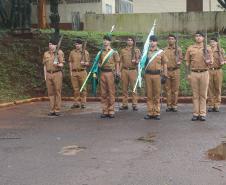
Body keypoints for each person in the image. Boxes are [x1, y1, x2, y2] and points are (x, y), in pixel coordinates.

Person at [185, 31, 213, 121]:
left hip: (204, 72)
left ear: (203, 38)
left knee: (203, 94)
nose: (198, 37)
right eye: (196, 36)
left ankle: (202, 113)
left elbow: (211, 62)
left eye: (200, 36)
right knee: (195, 95)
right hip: (194, 73)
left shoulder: (208, 48)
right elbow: (187, 62)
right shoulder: (190, 48)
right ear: (194, 37)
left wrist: (209, 61)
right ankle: (196, 113)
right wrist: (187, 74)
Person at [144, 35, 168, 120]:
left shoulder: (161, 52)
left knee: (157, 94)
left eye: (154, 41)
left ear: (156, 42)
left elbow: (165, 64)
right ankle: (150, 112)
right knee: (149, 94)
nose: (152, 42)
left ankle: (157, 112)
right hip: (148, 75)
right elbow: (142, 63)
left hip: (157, 75)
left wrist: (165, 75)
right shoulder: (146, 52)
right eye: (151, 41)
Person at [99, 35, 120, 118]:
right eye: (104, 40)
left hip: (111, 73)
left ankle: (111, 110)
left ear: (110, 42)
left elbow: (117, 63)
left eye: (107, 40)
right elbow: (99, 62)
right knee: (103, 93)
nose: (105, 41)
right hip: (103, 73)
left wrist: (118, 73)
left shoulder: (114, 52)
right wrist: (99, 65)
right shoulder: (100, 52)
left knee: (111, 92)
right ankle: (105, 110)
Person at [43, 36, 64, 116]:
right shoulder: (46, 53)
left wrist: (58, 64)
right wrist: (45, 75)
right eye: (49, 44)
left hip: (57, 73)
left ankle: (57, 110)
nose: (50, 46)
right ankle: (52, 110)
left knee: (57, 92)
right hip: (48, 74)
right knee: (50, 93)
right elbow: (44, 65)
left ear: (55, 45)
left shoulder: (59, 52)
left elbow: (62, 64)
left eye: (52, 44)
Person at [119, 36, 141, 111]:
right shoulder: (123, 50)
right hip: (124, 70)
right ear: (126, 41)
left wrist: (137, 61)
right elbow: (121, 61)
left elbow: (139, 61)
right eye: (128, 40)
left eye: (131, 40)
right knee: (124, 88)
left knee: (133, 88)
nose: (130, 41)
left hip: (133, 70)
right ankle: (124, 104)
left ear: (133, 42)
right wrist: (119, 71)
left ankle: (134, 104)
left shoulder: (136, 50)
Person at [69, 38, 90, 109]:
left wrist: (84, 63)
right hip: (74, 72)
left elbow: (88, 63)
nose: (77, 45)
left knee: (83, 88)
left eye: (78, 44)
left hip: (82, 72)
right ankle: (76, 103)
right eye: (76, 44)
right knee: (75, 89)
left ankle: (83, 103)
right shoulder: (72, 52)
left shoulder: (85, 52)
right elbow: (70, 62)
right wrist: (70, 71)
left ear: (81, 45)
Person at [164, 34, 183, 112]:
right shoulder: (164, 50)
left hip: (176, 70)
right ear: (167, 40)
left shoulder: (178, 49)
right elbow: (162, 61)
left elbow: (181, 58)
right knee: (167, 89)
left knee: (175, 89)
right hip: (167, 70)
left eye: (172, 39)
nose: (171, 40)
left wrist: (179, 61)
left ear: (175, 40)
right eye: (169, 39)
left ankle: (174, 105)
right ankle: (169, 105)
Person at [207, 37, 225, 112]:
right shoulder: (207, 50)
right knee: (210, 88)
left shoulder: (221, 50)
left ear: (217, 43)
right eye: (211, 42)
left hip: (218, 70)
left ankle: (217, 105)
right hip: (209, 70)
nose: (212, 43)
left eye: (214, 42)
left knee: (217, 88)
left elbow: (224, 59)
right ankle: (211, 105)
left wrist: (223, 62)